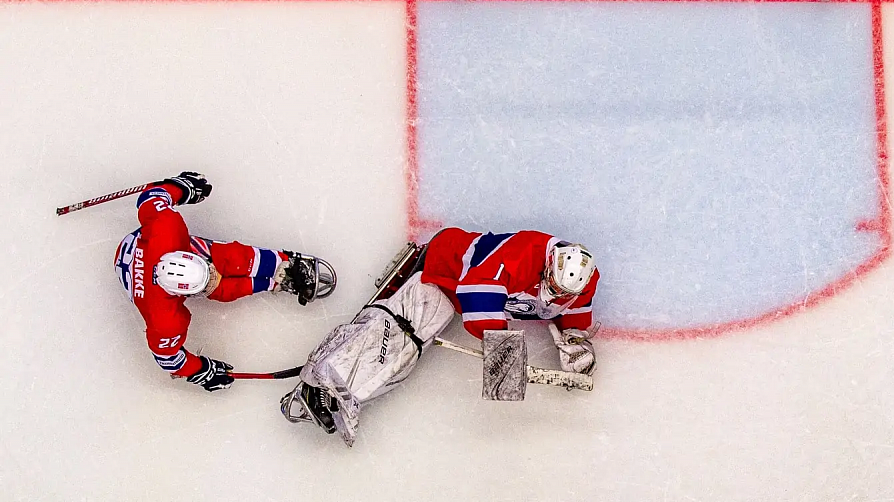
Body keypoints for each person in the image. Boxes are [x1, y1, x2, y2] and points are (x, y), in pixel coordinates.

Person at [281, 228, 601, 445]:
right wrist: (504, 350)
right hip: (445, 270)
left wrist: (575, 341)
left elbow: (574, 312)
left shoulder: (583, 281)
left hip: (457, 294)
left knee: (406, 357)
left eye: (563, 291)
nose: (554, 293)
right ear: (549, 264)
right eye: (552, 284)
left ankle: (347, 392)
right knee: (402, 334)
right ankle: (323, 383)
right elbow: (477, 295)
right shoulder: (523, 253)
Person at [113, 172, 334, 392]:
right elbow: (167, 358)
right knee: (221, 290)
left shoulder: (167, 228)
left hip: (143, 243)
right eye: (204, 284)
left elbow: (151, 197)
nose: (215, 276)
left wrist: (183, 188)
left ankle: (281, 264)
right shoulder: (163, 318)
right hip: (145, 276)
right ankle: (272, 282)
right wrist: (200, 370)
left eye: (207, 269)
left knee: (230, 257)